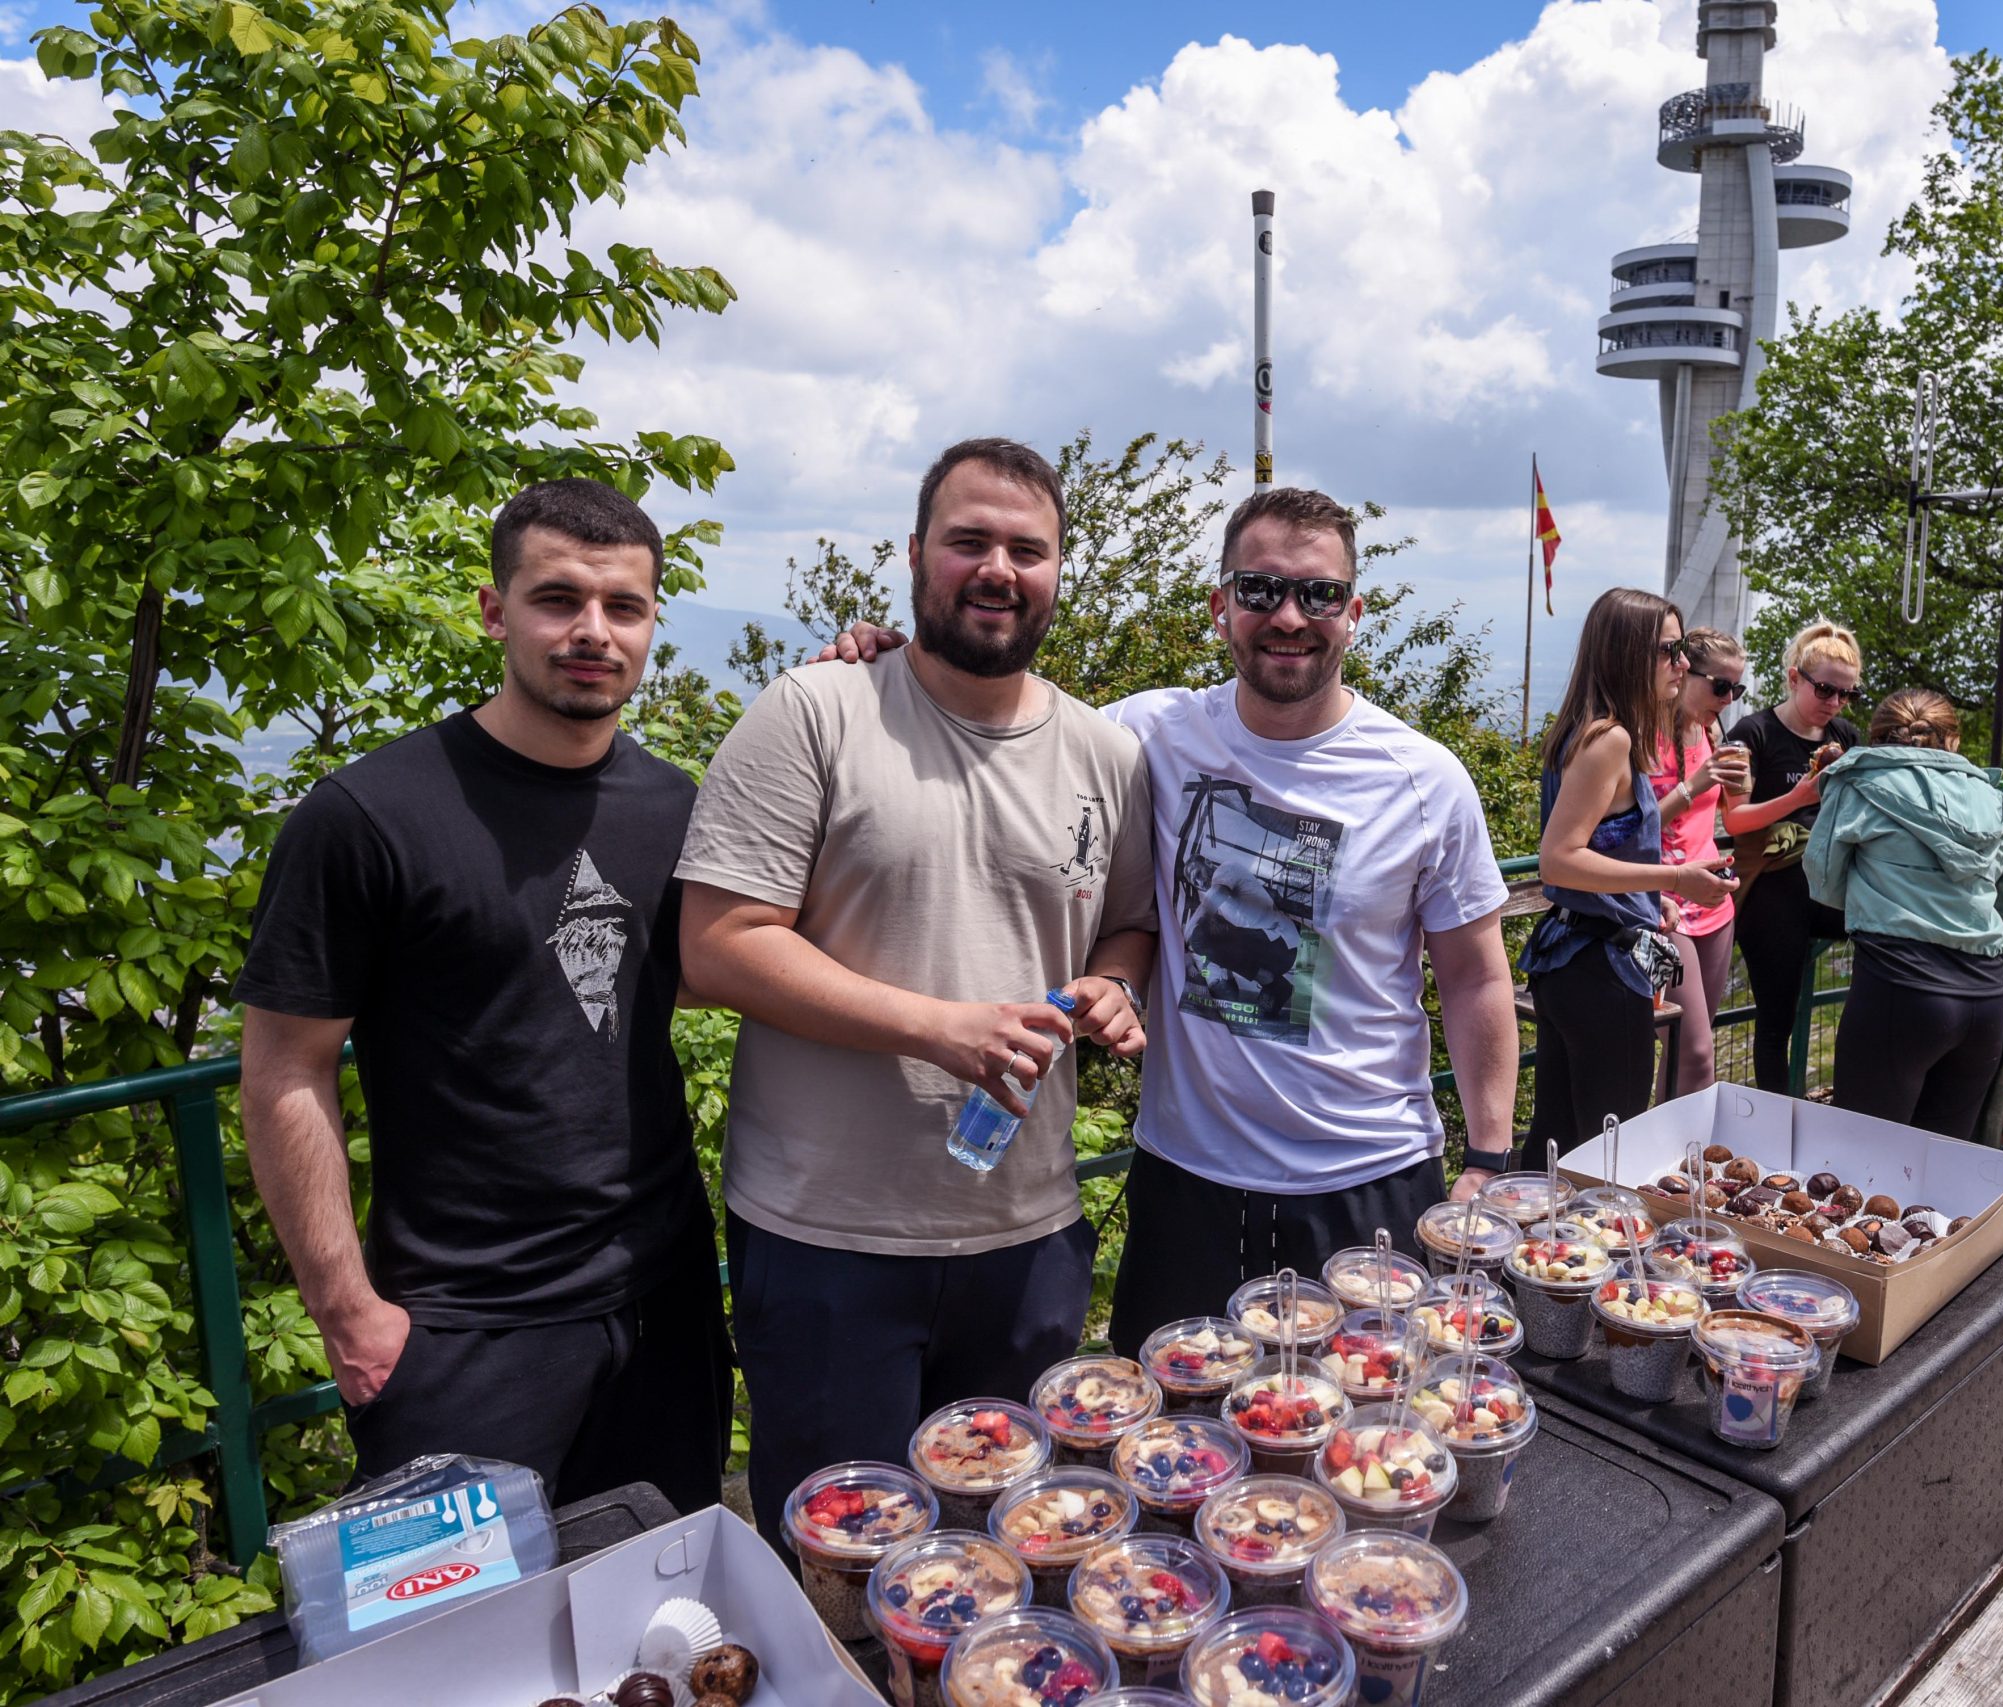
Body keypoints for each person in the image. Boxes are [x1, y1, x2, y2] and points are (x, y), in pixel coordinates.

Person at [821, 486, 1520, 1357]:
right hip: (1186, 1185)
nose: (1289, 616)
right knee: (1167, 1424)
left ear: (1354, 613)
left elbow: (1475, 976)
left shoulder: (1424, 778)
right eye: (1261, 589)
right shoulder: (1147, 732)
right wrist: (895, 666)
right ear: (1221, 605)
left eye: (1319, 594)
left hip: (1366, 1180)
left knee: (1373, 1423)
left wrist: (1488, 1159)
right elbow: (1003, 718)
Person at [675, 438, 1158, 1552]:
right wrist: (940, 1028)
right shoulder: (817, 710)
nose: (997, 569)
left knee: (1013, 1554)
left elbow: (1126, 923)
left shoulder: (1107, 753)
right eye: (968, 540)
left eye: (1026, 549)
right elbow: (717, 946)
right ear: (914, 554)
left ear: (1058, 570)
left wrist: (1113, 982)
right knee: (843, 1566)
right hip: (827, 1236)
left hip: (1028, 1232)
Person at [237, 479, 730, 1513]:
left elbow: (686, 975)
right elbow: (285, 1067)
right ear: (494, 611)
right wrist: (346, 1312)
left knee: (658, 1588)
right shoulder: (367, 815)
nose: (592, 631)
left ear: (652, 624)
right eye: (558, 599)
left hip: (664, 1300)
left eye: (624, 606)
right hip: (464, 1327)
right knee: (463, 1614)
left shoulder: (673, 804)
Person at [1521, 589, 1739, 1146]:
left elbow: (1602, 844)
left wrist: (1645, 898)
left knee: (1556, 1141)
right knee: (1608, 1150)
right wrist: (1675, 879)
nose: (1683, 663)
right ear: (1627, 654)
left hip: (1571, 958)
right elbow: (1559, 860)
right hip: (1601, 970)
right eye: (1669, 650)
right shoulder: (1612, 739)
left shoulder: (1587, 729)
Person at [1808, 690, 2003, 1136]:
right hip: (1986, 997)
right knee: (1940, 1162)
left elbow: (1823, 880)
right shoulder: (1992, 797)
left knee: (1862, 1157)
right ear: (1952, 740)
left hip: (1898, 988)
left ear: (1878, 737)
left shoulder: (1854, 783)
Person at [1724, 621, 1864, 1091]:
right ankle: (1776, 1116)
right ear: (1793, 678)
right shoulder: (1753, 733)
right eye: (1825, 690)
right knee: (1775, 1023)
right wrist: (1799, 797)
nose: (1835, 702)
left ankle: (1857, 1092)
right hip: (1772, 886)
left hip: (1829, 882)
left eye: (1848, 694)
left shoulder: (1845, 736)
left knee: (1890, 941)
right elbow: (1735, 820)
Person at [1647, 629, 1753, 1100]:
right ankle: (1682, 1142)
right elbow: (1631, 828)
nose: (1728, 700)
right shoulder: (1643, 737)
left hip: (1713, 905)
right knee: (1694, 1052)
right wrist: (1696, 784)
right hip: (1663, 904)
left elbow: (1731, 813)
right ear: (1686, 672)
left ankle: (1679, 1144)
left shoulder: (1710, 733)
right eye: (1721, 686)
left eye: (1737, 689)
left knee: (1688, 1052)